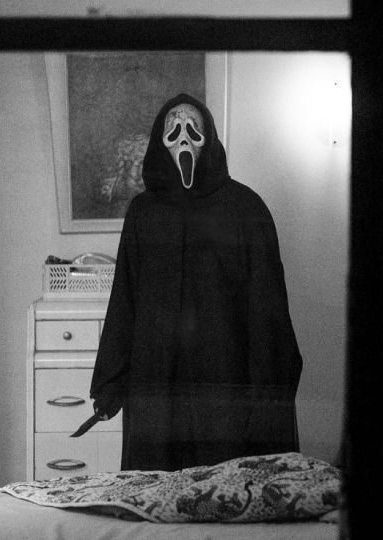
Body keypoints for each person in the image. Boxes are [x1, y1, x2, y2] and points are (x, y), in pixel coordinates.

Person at [90, 93, 302, 471]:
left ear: (210, 140)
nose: (184, 140)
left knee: (223, 485)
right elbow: (125, 300)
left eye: (193, 130)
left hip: (225, 380)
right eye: (173, 132)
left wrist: (269, 394)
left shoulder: (247, 209)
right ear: (160, 143)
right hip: (156, 383)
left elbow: (268, 310)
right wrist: (111, 383)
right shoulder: (143, 213)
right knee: (157, 490)